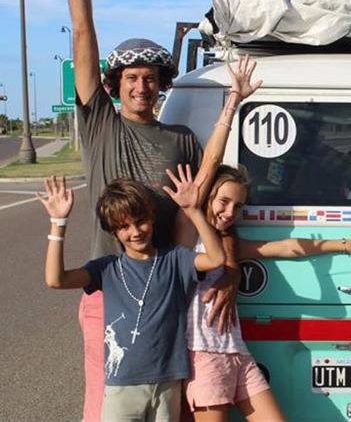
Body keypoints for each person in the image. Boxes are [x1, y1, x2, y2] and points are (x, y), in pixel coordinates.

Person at [66, 0, 256, 418]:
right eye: (131, 78)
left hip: (167, 296)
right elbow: (83, 31)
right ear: (114, 84)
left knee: (166, 408)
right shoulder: (100, 127)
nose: (141, 86)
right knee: (106, 405)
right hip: (109, 293)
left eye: (150, 79)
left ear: (162, 85)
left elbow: (206, 204)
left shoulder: (181, 139)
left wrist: (227, 270)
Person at [180, 165, 351, 422]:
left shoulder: (231, 245)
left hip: (237, 353)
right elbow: (211, 161)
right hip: (203, 355)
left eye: (238, 206)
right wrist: (225, 122)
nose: (230, 213)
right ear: (208, 197)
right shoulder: (188, 240)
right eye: (224, 202)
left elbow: (287, 247)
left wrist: (347, 245)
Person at [36, 168, 225, 422]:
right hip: (122, 385)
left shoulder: (175, 259)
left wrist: (193, 211)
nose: (135, 231)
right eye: (124, 226)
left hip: (167, 382)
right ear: (113, 231)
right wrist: (58, 224)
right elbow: (55, 280)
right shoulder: (106, 268)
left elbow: (216, 258)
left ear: (152, 216)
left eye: (140, 220)